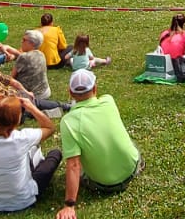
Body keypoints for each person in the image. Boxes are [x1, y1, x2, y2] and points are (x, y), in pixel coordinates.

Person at [56, 69, 142, 219]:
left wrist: (69, 205)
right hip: (131, 169)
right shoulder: (109, 100)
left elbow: (73, 165)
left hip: (103, 184)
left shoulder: (68, 121)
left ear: (70, 92)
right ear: (95, 88)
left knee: (79, 161)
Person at [0, 95, 62, 212]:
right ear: (17, 119)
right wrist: (32, 108)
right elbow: (50, 127)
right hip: (23, 200)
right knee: (55, 154)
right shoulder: (23, 137)